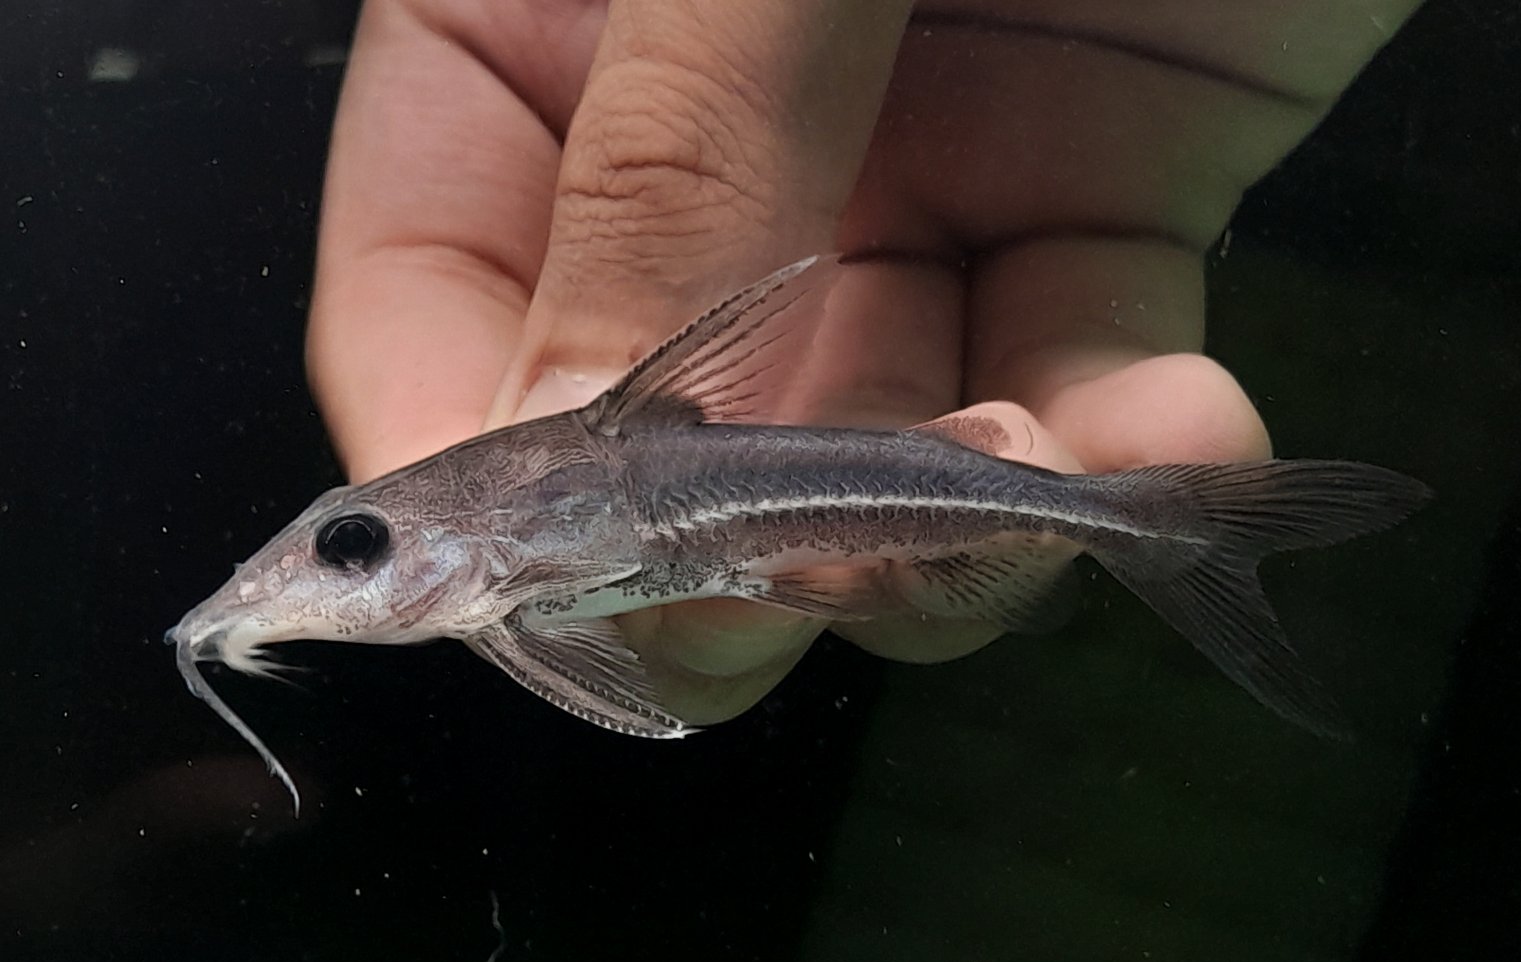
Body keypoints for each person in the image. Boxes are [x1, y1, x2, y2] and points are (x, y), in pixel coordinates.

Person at [305, 0, 1423, 723]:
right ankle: (1159, 525)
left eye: (354, 544)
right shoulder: (506, 609)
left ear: (511, 482)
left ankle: (1165, 525)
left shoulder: (546, 488)